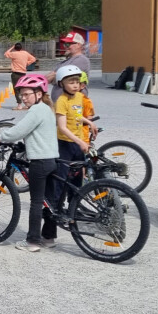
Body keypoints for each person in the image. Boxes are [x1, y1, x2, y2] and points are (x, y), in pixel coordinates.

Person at [0, 74, 58, 253]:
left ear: (38, 93)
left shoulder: (36, 111)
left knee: (36, 202)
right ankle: (49, 237)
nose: (23, 98)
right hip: (52, 160)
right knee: (49, 201)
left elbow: (19, 130)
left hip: (39, 162)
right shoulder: (47, 109)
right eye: (21, 94)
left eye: (27, 94)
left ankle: (33, 241)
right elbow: (37, 134)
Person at [53, 65, 98, 230]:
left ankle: (74, 209)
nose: (75, 85)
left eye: (77, 82)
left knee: (77, 179)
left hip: (79, 143)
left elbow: (78, 117)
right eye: (71, 82)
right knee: (62, 178)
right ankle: (57, 210)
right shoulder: (61, 101)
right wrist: (79, 142)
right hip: (65, 143)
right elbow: (62, 127)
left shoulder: (79, 97)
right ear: (61, 84)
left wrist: (89, 122)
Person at [48, 32, 90, 102]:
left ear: (78, 45)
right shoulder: (65, 61)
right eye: (65, 44)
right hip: (62, 104)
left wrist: (56, 76)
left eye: (68, 44)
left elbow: (64, 77)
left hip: (72, 103)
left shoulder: (81, 60)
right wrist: (56, 76)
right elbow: (47, 79)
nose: (66, 46)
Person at [5, 43, 37, 110]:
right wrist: (27, 63)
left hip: (15, 73)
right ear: (21, 48)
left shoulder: (14, 54)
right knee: (24, 89)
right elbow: (33, 59)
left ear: (15, 48)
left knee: (16, 89)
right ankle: (27, 104)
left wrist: (12, 47)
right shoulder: (25, 53)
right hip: (23, 73)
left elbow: (6, 53)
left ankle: (19, 104)